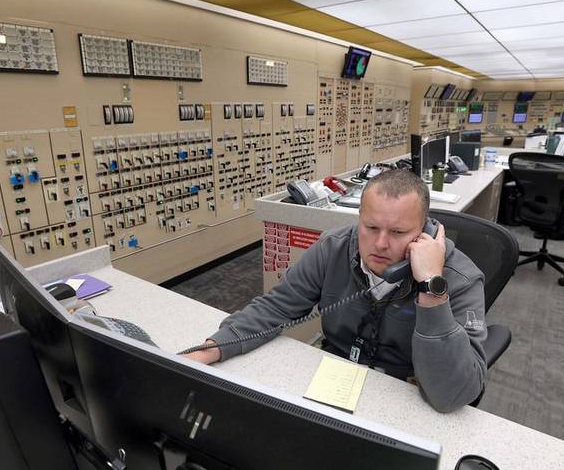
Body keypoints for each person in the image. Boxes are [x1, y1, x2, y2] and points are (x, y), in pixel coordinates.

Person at [185, 169, 488, 413]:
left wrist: (432, 288)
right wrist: (210, 349)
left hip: (406, 396)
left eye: (397, 232)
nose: (381, 244)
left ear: (424, 230)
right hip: (335, 382)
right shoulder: (334, 248)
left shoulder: (460, 277)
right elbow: (276, 308)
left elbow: (451, 395)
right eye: (370, 227)